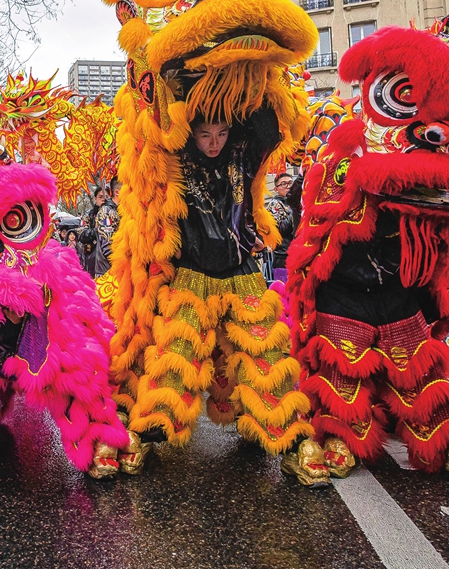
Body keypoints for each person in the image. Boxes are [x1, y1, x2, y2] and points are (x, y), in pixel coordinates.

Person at [120, 109, 309, 471]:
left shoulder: (244, 154)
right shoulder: (175, 160)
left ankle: (290, 440)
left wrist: (248, 80)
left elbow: (269, 127)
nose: (213, 143)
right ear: (192, 135)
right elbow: (151, 134)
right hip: (193, 275)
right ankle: (152, 430)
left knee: (265, 355)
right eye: (205, 134)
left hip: (242, 273)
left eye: (221, 134)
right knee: (177, 356)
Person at [264, 173, 296, 283]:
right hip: (283, 256)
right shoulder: (274, 204)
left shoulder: (294, 201)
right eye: (284, 184)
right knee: (284, 292)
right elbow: (280, 229)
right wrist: (295, 212)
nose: (288, 186)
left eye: (290, 183)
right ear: (276, 189)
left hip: (296, 253)